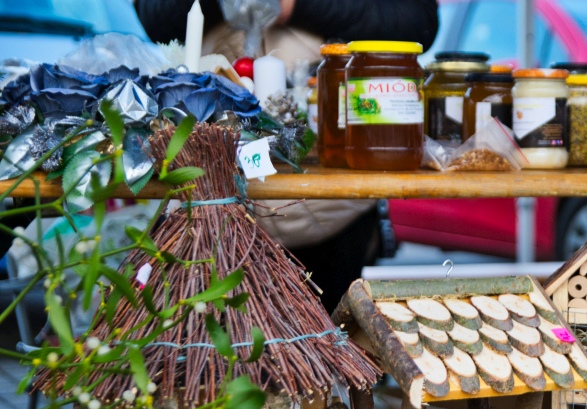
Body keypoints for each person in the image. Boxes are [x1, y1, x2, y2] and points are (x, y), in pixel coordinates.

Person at [134, 0, 439, 312]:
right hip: (211, 198)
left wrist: (292, 6)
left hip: (331, 203)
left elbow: (416, 21)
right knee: (204, 336)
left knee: (330, 333)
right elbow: (155, 16)